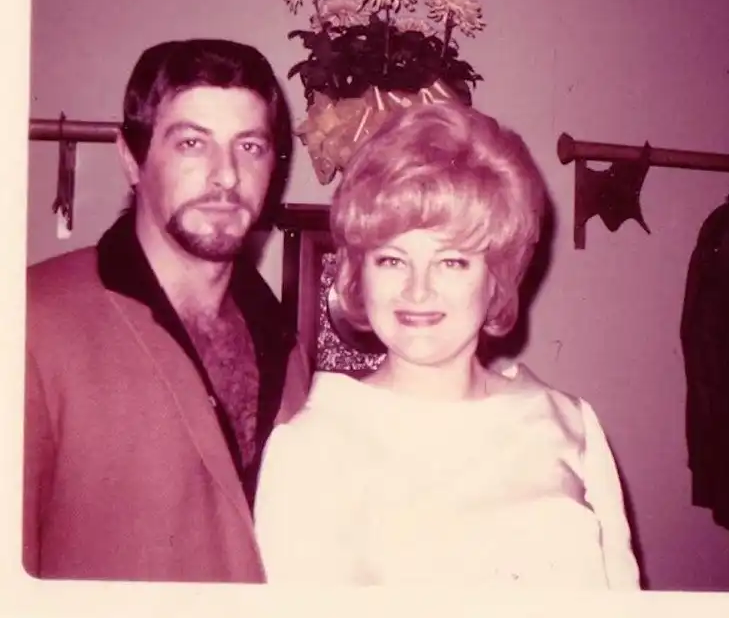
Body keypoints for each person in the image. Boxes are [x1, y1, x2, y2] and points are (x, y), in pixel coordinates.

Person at [254, 101, 641, 587]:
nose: (418, 291)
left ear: (496, 276)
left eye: (452, 261)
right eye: (392, 260)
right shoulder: (309, 447)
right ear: (359, 272)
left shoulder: (571, 424)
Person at [23, 39, 312, 582]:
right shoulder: (30, 323)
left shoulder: (284, 343)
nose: (226, 176)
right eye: (192, 143)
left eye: (249, 146)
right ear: (131, 159)